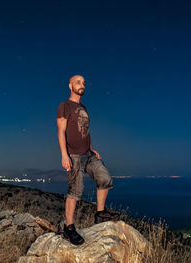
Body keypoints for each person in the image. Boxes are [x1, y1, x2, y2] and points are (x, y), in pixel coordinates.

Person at [56, 74, 119, 245]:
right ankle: (69, 228)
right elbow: (61, 131)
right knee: (76, 191)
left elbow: (86, 130)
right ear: (70, 85)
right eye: (78, 82)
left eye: (83, 83)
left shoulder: (83, 107)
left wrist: (92, 148)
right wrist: (64, 155)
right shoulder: (64, 106)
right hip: (74, 156)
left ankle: (100, 214)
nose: (81, 84)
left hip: (88, 154)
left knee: (105, 179)